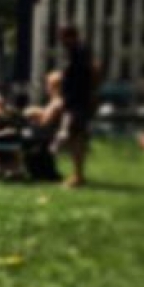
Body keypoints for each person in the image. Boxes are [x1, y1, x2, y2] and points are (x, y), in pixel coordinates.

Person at [58, 26, 98, 188]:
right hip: (75, 102)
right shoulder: (77, 52)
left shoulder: (79, 53)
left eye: (63, 37)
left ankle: (78, 176)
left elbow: (90, 74)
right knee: (74, 138)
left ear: (71, 37)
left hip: (78, 102)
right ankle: (77, 174)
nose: (61, 41)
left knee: (75, 138)